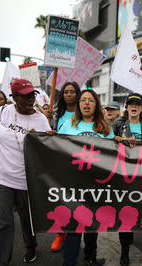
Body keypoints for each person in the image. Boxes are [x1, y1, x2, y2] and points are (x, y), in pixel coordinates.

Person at [0, 78, 51, 266]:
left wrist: (39, 141)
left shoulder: (41, 120)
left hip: (27, 181)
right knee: (4, 223)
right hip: (0, 178)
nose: (29, 99)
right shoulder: (4, 112)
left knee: (27, 218)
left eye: (32, 95)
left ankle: (31, 245)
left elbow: (47, 149)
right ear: (14, 97)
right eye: (24, 96)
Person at [55, 89, 113, 266]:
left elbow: (114, 154)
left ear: (97, 104)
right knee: (73, 230)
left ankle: (90, 256)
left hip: (97, 186)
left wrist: (123, 142)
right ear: (78, 104)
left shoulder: (105, 128)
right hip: (73, 186)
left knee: (93, 225)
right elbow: (56, 150)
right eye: (83, 100)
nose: (86, 103)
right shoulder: (67, 125)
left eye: (91, 100)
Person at [112, 93, 142, 266]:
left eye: (137, 104)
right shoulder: (118, 124)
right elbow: (109, 143)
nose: (133, 106)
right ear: (126, 107)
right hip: (123, 174)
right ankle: (125, 251)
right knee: (125, 213)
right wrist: (117, 139)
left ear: (141, 108)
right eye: (130, 103)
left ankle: (132, 232)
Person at [50, 82, 81, 252]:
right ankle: (60, 234)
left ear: (78, 94)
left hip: (81, 163)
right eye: (66, 92)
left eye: (72, 91)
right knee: (62, 200)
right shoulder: (56, 114)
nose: (69, 94)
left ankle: (78, 233)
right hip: (62, 162)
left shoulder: (84, 112)